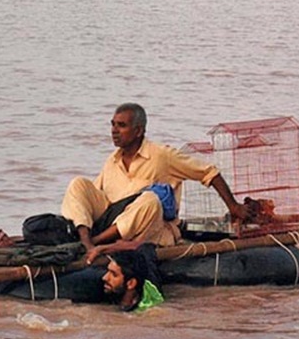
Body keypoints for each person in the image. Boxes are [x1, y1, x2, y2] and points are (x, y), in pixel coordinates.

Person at [61, 102, 247, 252]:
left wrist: (233, 206)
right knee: (78, 184)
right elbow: (93, 197)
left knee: (150, 199)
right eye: (113, 124)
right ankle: (85, 242)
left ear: (138, 131)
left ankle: (96, 241)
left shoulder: (161, 156)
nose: (114, 131)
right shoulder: (113, 160)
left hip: (149, 230)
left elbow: (209, 172)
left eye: (122, 126)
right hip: (113, 220)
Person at [99, 244, 165, 312]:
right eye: (108, 271)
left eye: (114, 274)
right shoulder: (108, 286)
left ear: (131, 283)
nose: (105, 278)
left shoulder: (147, 308)